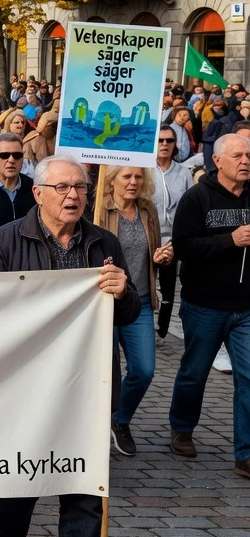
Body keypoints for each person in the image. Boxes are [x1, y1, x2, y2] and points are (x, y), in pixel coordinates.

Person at [0, 155, 136, 537]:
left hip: (87, 390)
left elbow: (128, 313)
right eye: (62, 187)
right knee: (17, 494)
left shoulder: (104, 242)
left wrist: (123, 292)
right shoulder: (5, 241)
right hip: (26, 392)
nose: (73, 196)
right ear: (38, 193)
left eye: (80, 187)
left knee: (84, 498)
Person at [169, 132, 250, 474]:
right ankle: (182, 427)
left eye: (249, 156)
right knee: (195, 372)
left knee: (248, 377)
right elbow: (184, 247)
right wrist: (229, 240)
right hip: (205, 304)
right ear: (217, 160)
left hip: (245, 307)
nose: (245, 162)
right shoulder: (197, 198)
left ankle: (245, 454)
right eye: (238, 156)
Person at [93, 165, 170, 456]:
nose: (133, 182)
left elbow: (152, 251)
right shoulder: (99, 209)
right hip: (105, 302)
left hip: (141, 300)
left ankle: (119, 418)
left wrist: (161, 256)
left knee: (143, 369)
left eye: (138, 177)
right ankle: (94, 426)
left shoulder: (147, 210)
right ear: (112, 180)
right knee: (104, 370)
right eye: (126, 176)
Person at [151, 125, 194, 338]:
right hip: (150, 234)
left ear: (175, 144)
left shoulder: (183, 172)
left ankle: (163, 326)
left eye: (169, 140)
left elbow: (191, 204)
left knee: (168, 282)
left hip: (173, 236)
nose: (165, 144)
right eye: (160, 140)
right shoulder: (145, 171)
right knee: (147, 278)